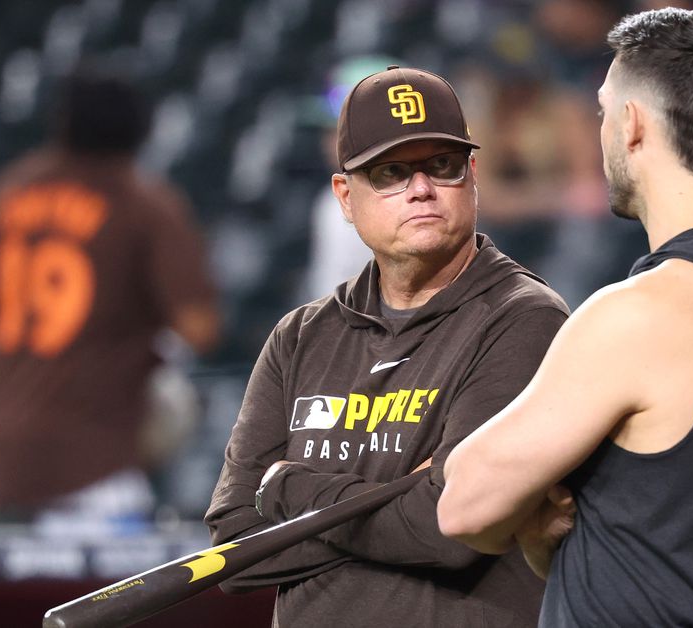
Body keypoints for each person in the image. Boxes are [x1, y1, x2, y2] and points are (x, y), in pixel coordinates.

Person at [439, 8, 693, 628]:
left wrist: (516, 504)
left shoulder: (640, 315)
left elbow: (464, 505)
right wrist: (538, 530)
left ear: (633, 123)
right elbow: (655, 541)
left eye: (603, 112)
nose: (601, 131)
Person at [204, 66, 568, 627]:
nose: (420, 189)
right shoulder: (300, 338)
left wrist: (289, 488)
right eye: (391, 172)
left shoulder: (524, 320)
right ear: (346, 197)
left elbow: (449, 532)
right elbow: (233, 548)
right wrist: (403, 497)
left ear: (472, 175)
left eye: (441, 166)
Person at [0, 64, 219, 528]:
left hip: (4, 460)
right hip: (96, 468)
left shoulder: (7, 192)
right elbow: (199, 328)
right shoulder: (144, 204)